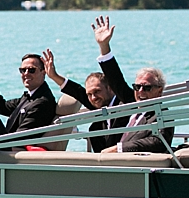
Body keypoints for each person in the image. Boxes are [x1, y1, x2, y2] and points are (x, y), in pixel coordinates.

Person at [90, 15, 173, 153]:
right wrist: (104, 46)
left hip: (130, 166)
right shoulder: (131, 103)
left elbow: (159, 142)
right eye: (137, 87)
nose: (141, 92)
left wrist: (119, 148)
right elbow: (116, 80)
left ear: (159, 91)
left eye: (147, 88)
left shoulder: (162, 114)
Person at [41, 48, 125, 152]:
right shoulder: (98, 105)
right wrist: (54, 76)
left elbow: (118, 80)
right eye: (89, 94)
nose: (93, 97)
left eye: (97, 91)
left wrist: (104, 47)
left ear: (111, 88)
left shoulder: (125, 105)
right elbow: (77, 91)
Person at [0, 49, 58, 133]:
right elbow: (2, 107)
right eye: (23, 70)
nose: (26, 73)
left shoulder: (42, 103)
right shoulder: (30, 96)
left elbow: (22, 135)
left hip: (15, 145)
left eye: (31, 70)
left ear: (43, 72)